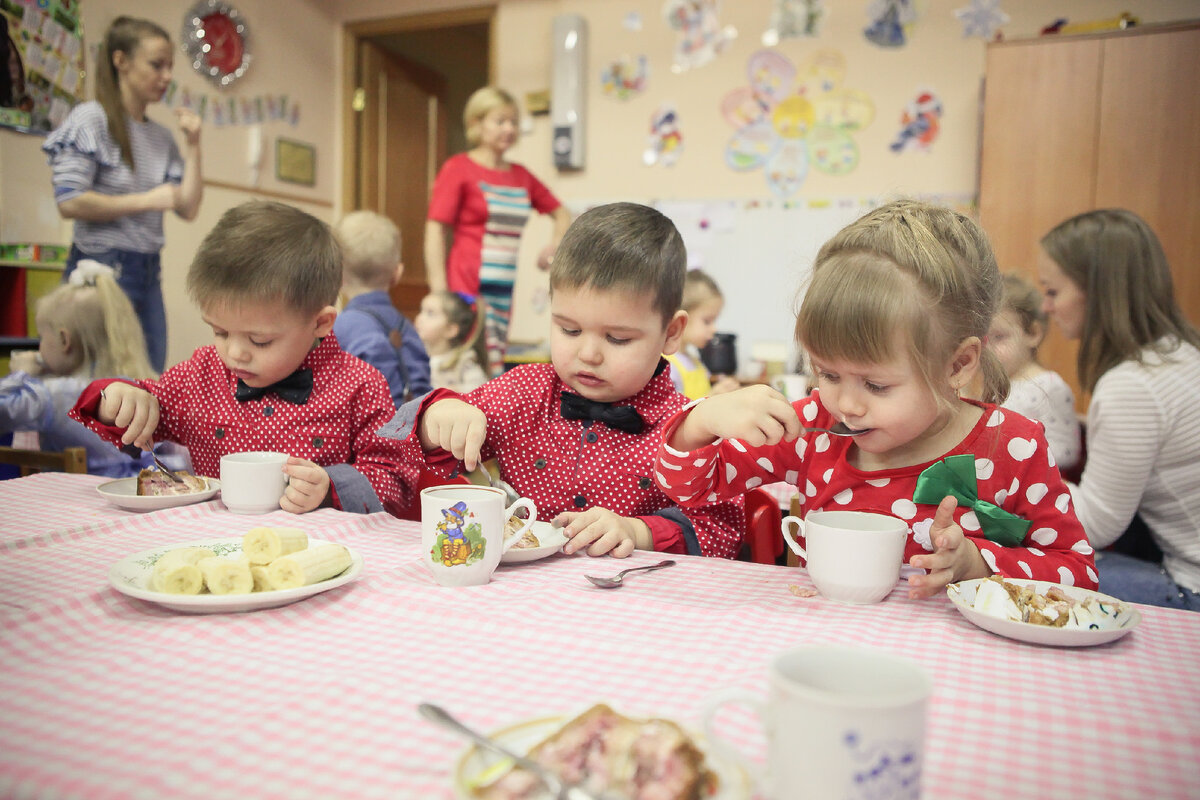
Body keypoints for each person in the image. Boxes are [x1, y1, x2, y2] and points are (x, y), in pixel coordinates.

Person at [654, 200, 1096, 597]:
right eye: (827, 373)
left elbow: (1078, 573)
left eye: (876, 385)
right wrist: (703, 420)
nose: (847, 404)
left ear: (958, 364)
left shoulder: (1014, 447)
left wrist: (978, 564)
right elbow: (690, 488)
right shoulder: (815, 428)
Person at [383, 202, 744, 558]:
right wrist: (436, 418)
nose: (588, 353)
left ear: (671, 332)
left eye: (617, 338)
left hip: (633, 605)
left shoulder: (690, 429)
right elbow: (397, 452)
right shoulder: (523, 391)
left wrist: (637, 531)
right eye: (569, 329)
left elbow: (722, 531)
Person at [68, 200, 418, 517]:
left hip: (318, 553)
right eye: (220, 332)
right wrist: (118, 398)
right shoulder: (202, 374)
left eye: (259, 340)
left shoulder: (360, 385)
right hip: (212, 551)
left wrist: (330, 487)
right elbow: (137, 411)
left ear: (320, 323)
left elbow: (395, 479)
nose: (234, 353)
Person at [1038, 208, 1200, 610]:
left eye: (1054, 292)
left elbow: (1094, 523)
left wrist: (1015, 479)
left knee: (1031, 564)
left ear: (1097, 292)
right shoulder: (1179, 354)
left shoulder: (1131, 384)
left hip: (1190, 584)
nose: (1046, 307)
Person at [42, 15, 203, 372]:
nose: (166, 77)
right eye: (156, 65)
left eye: (169, 67)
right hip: (101, 269)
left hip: (147, 270)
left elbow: (188, 207)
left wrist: (194, 144)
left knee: (148, 382)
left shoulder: (161, 137)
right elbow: (70, 201)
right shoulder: (91, 119)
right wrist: (147, 200)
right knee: (96, 385)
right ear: (121, 61)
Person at [425, 86, 572, 376]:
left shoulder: (521, 175)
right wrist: (440, 295)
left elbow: (561, 212)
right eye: (500, 120)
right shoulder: (458, 168)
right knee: (465, 364)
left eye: (514, 122)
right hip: (466, 286)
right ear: (477, 123)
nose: (509, 128)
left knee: (491, 365)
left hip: (503, 291)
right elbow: (435, 230)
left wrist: (554, 244)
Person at [0, 261, 189, 478]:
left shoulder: (54, 394)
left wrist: (20, 374)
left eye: (43, 337)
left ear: (64, 340)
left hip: (75, 503)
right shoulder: (147, 388)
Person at [332, 210, 431, 404]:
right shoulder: (409, 329)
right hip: (418, 428)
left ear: (337, 273)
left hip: (369, 432)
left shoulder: (335, 329)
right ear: (397, 273)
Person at [987, 273, 1081, 471]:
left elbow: (1067, 451)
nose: (988, 350)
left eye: (999, 337)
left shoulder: (1049, 386)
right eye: (983, 339)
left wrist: (1014, 456)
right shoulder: (991, 385)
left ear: (1033, 333)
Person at [664, 269, 741, 399]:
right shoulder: (667, 367)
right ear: (680, 319)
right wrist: (711, 397)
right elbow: (672, 415)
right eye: (707, 321)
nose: (714, 329)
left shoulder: (695, 361)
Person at [415, 290, 489, 394]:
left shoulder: (464, 362)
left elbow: (481, 392)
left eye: (430, 313)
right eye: (421, 311)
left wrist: (455, 392)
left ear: (450, 330)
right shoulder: (413, 355)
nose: (419, 318)